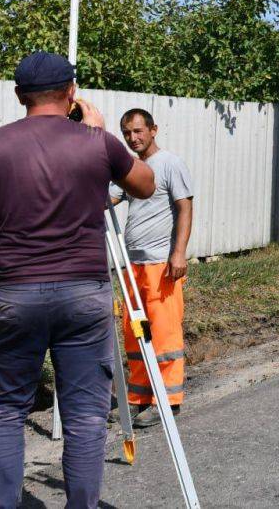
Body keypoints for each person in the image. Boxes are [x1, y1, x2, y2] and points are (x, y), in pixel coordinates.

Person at [0, 52, 155, 509]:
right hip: (83, 293)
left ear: (20, 95)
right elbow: (145, 184)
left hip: (16, 293)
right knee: (84, 416)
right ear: (71, 94)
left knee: (5, 412)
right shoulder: (96, 143)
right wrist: (100, 133)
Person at [109, 108, 193, 428]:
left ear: (153, 130)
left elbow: (185, 208)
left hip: (162, 264)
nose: (133, 138)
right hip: (134, 265)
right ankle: (139, 397)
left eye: (138, 131)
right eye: (127, 133)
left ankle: (168, 399)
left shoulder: (170, 164)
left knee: (163, 333)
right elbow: (110, 198)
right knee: (135, 333)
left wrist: (179, 253)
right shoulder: (132, 169)